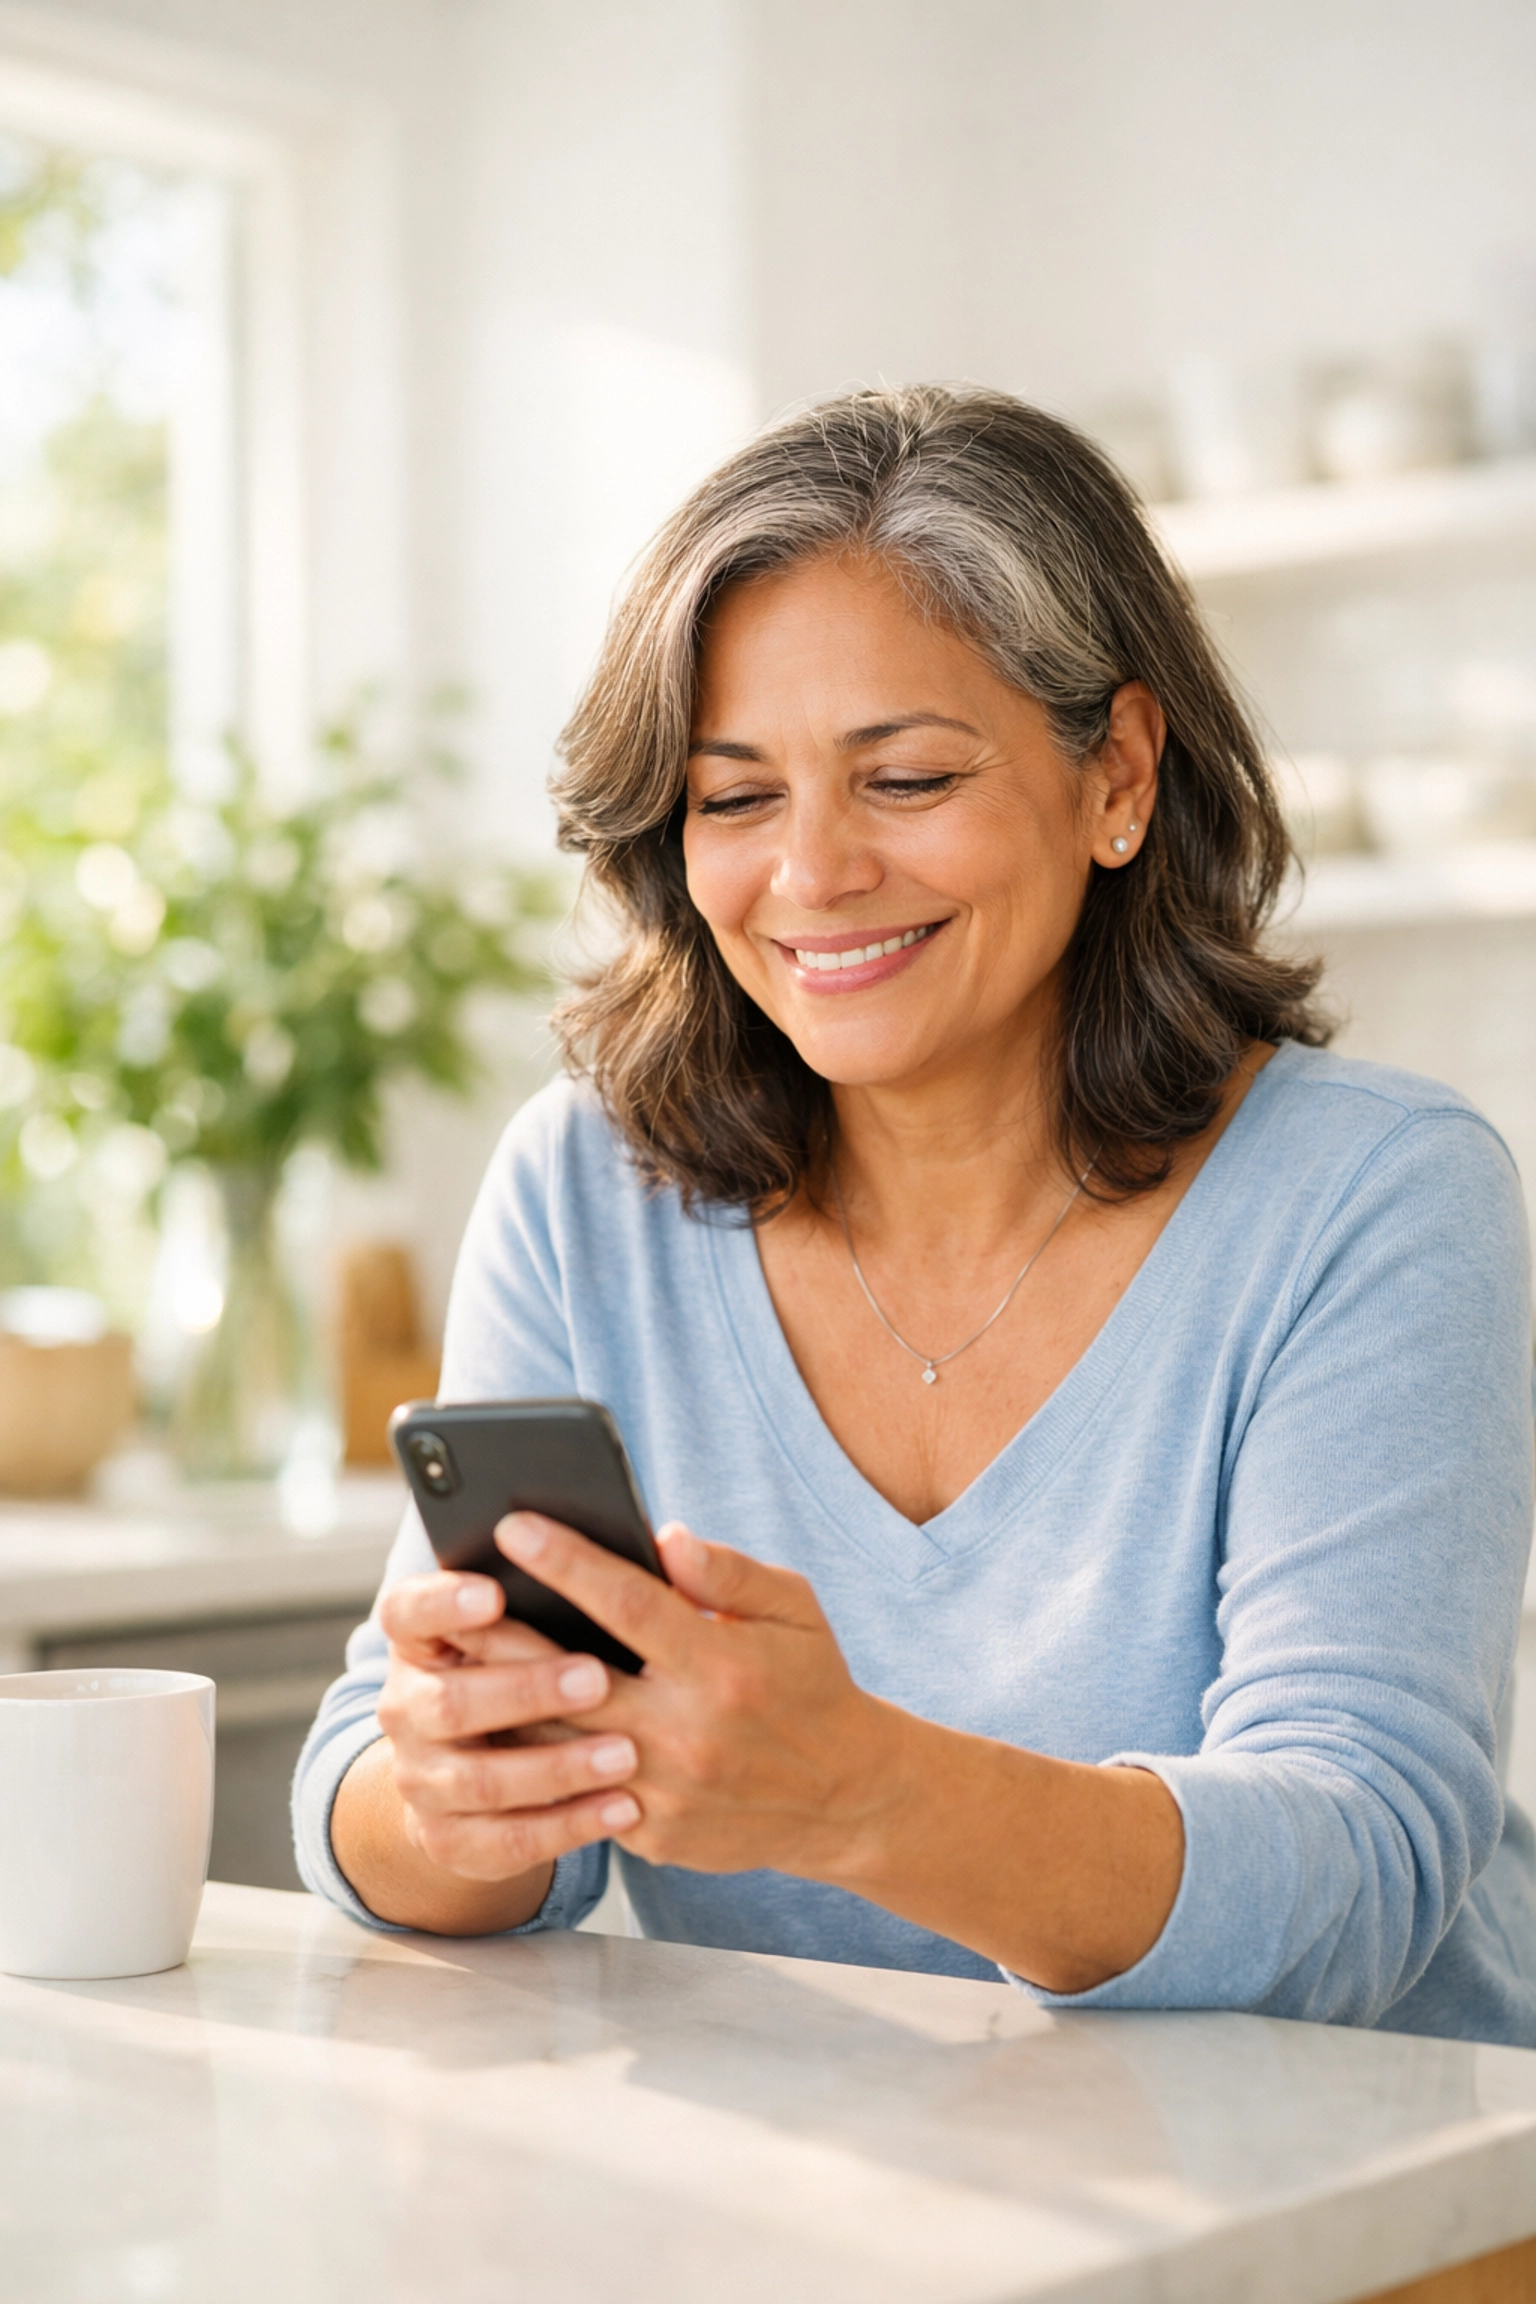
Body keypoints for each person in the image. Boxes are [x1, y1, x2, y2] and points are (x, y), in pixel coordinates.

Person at [294, 386, 1536, 2043]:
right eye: (734, 798)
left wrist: (862, 1795)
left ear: (1120, 774)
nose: (812, 872)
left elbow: (1359, 1875)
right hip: (842, 2196)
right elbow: (373, 1784)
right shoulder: (587, 1188)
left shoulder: (1376, 1197)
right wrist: (454, 1797)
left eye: (906, 776)